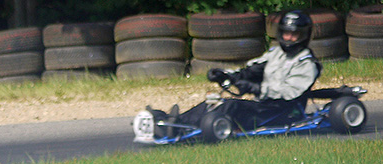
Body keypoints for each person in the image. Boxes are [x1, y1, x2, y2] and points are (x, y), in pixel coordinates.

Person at [133, 10, 320, 142]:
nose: (288, 38)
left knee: (230, 105)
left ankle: (175, 127)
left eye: (293, 35)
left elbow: (289, 92)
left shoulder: (307, 64)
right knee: (213, 103)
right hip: (264, 106)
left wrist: (256, 88)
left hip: (283, 112)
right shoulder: (276, 54)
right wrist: (226, 75)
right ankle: (172, 123)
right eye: (285, 33)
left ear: (304, 35)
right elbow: (251, 69)